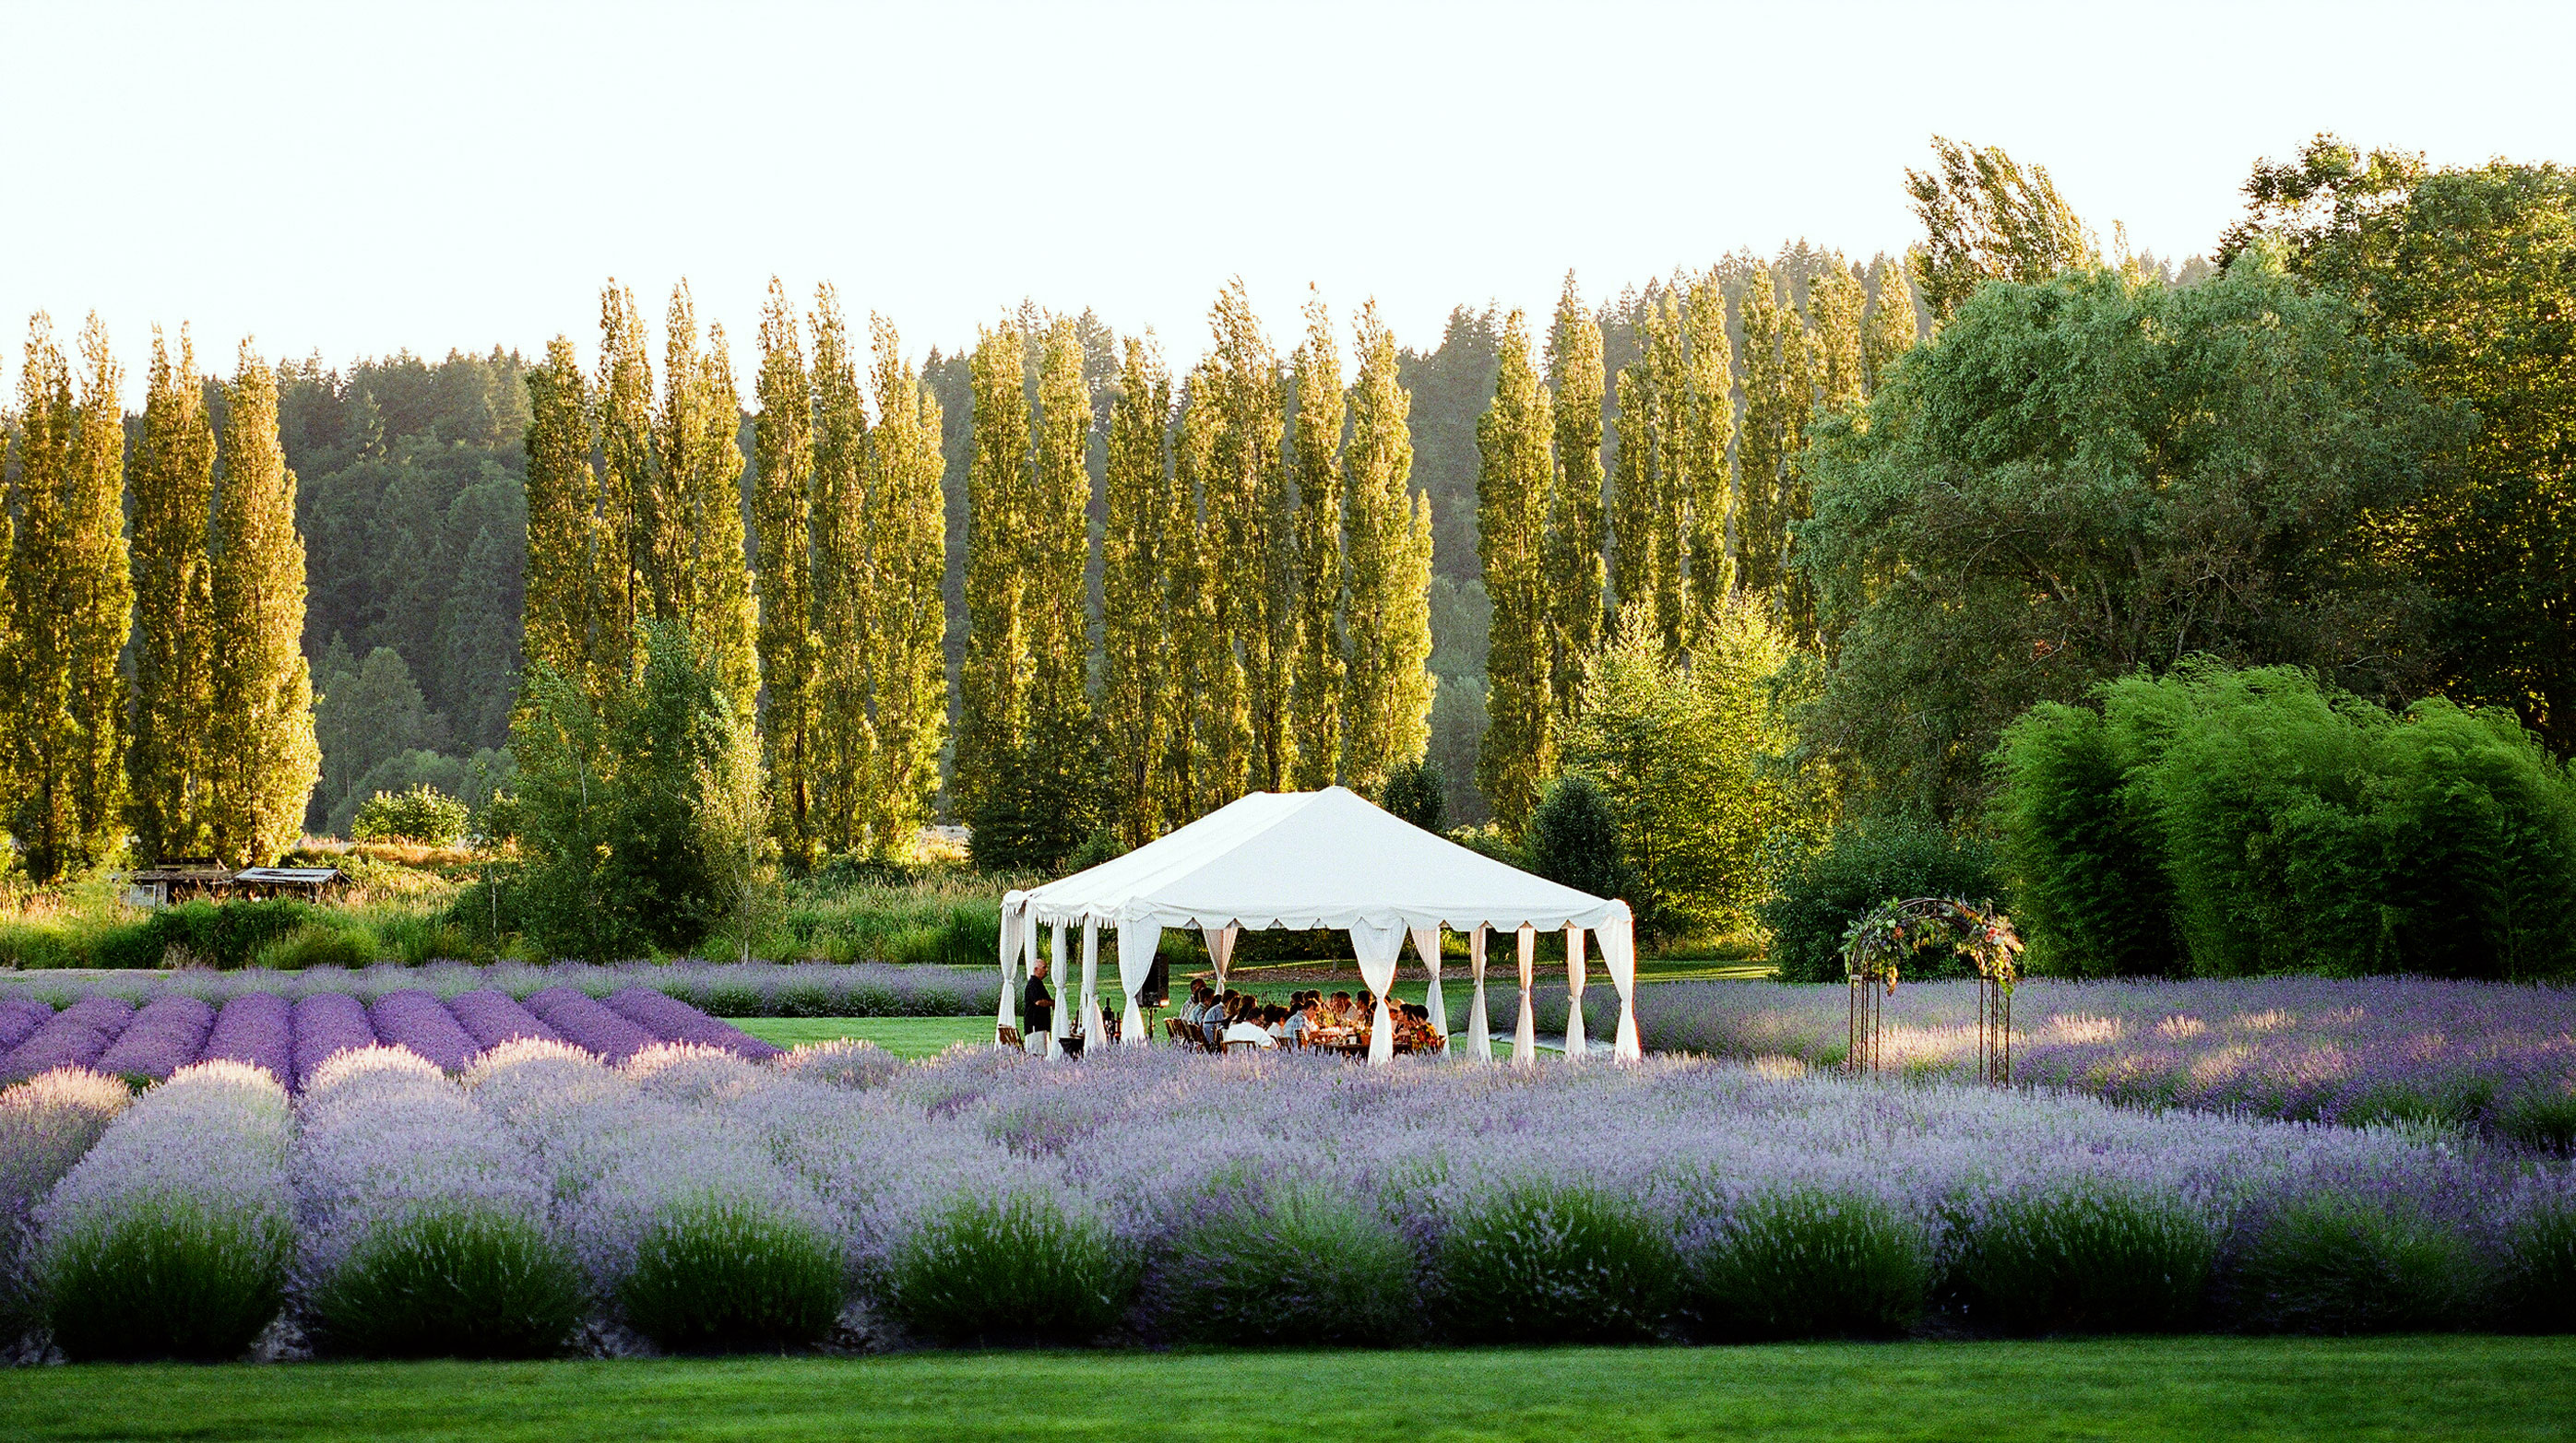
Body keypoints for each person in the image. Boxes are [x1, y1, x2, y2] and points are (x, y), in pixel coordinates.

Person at [1023, 957, 1055, 1056]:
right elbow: (1038, 1001)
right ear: (1036, 969)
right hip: (1035, 1025)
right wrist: (1052, 1003)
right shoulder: (1033, 984)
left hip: (1041, 1025)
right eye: (1044, 967)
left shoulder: (1038, 983)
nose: (1046, 970)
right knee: (1037, 1053)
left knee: (1042, 1052)